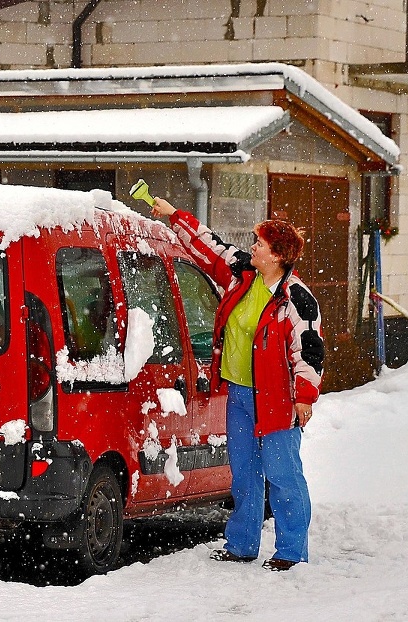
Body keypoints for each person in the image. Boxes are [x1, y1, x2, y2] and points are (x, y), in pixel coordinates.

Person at [151, 197, 324, 571]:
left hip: (278, 399)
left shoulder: (296, 299)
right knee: (244, 473)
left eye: (260, 244)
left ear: (277, 255)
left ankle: (291, 552)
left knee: (282, 475)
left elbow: (309, 351)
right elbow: (209, 246)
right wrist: (173, 215)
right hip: (240, 395)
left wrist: (305, 397)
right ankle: (243, 544)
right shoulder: (243, 275)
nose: (252, 247)